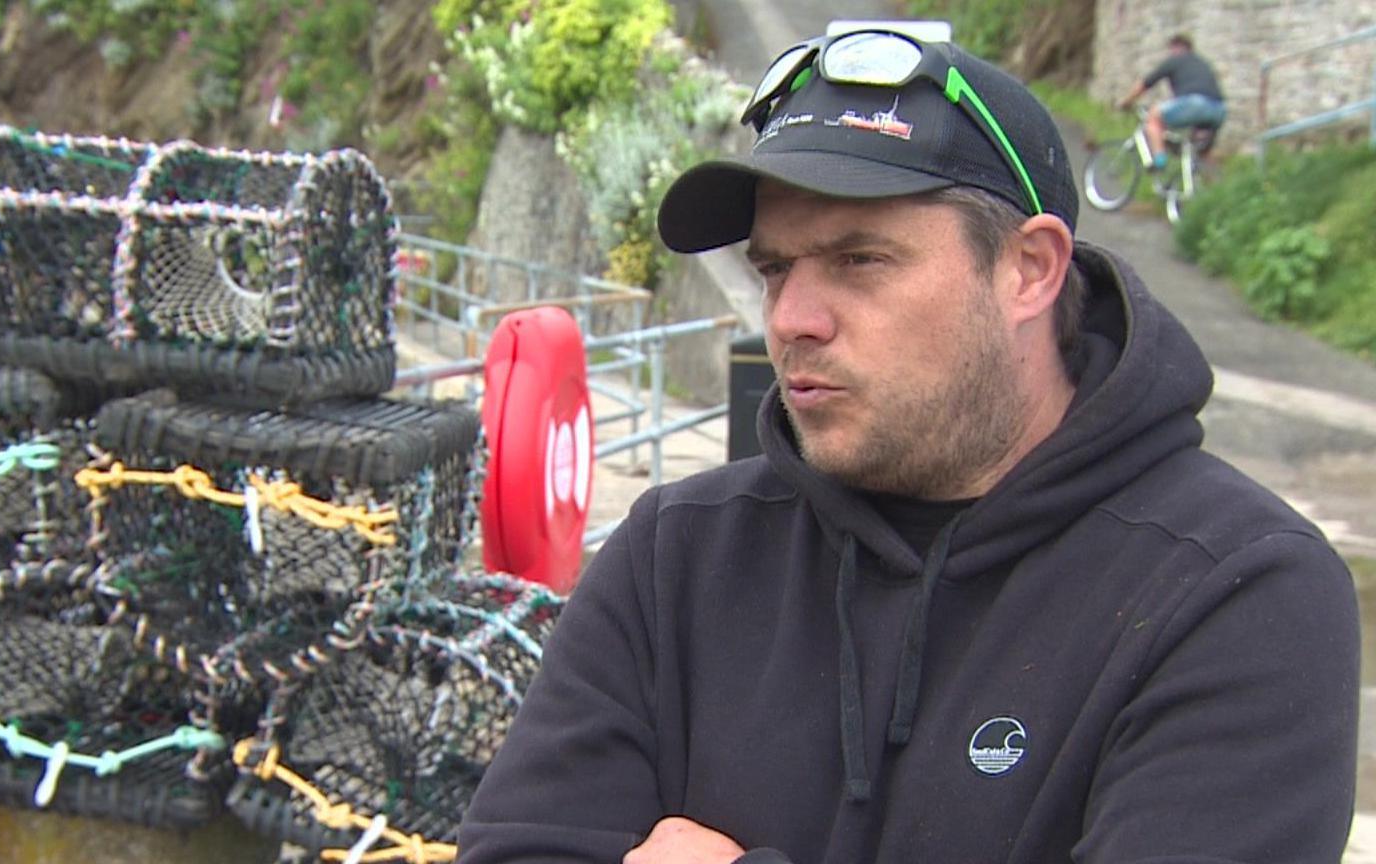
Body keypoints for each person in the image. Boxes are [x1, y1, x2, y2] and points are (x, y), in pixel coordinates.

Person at [457, 29, 1357, 864]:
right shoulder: (676, 554)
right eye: (775, 269)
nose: (792, 320)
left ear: (1029, 269)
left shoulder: (1236, 590)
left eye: (860, 260)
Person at [1117, 33, 1228, 169]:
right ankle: (1213, 185)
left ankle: (1159, 162)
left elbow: (1145, 84)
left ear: (1176, 48)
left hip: (1195, 105)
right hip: (1218, 110)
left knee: (1153, 118)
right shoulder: (1202, 62)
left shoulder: (1175, 60)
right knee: (1201, 153)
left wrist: (1126, 102)